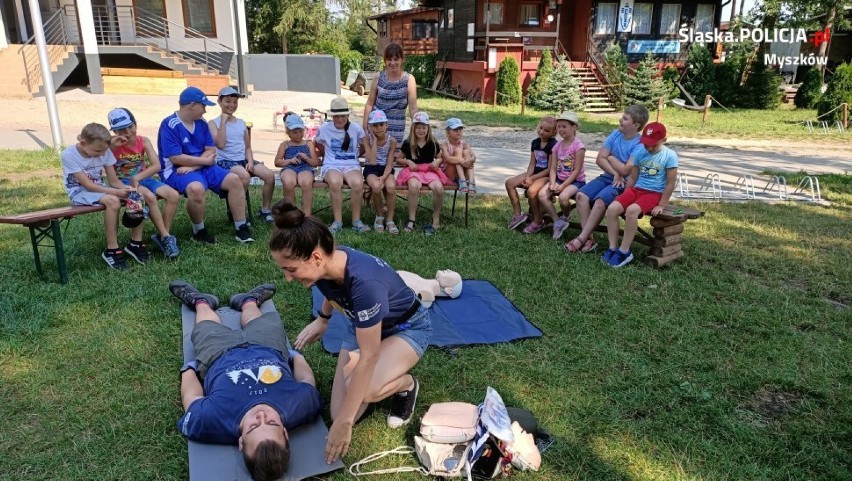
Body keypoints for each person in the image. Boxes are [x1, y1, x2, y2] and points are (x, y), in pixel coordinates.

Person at [268, 199, 431, 464]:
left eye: (291, 270)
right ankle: (371, 389)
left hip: (407, 328)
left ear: (316, 257)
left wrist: (344, 424)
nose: (288, 278)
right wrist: (322, 319)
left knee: (363, 394)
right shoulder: (326, 263)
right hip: (361, 326)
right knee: (339, 412)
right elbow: (328, 286)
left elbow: (370, 356)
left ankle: (406, 385)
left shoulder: (365, 285)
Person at [170, 280, 322, 481]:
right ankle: (248, 301)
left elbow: (192, 398)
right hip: (268, 347)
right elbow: (306, 380)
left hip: (218, 354)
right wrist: (297, 357)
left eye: (253, 426)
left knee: (206, 327)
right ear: (285, 432)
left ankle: (201, 302)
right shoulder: (301, 406)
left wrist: (188, 370)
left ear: (241, 442)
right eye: (271, 422)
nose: (261, 416)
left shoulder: (211, 421)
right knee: (261, 322)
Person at [157, 86, 253, 244]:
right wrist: (204, 161)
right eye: (203, 106)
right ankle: (199, 231)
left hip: (199, 166)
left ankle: (241, 227)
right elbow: (175, 158)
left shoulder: (201, 123)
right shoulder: (170, 124)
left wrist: (196, 166)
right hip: (175, 171)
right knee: (196, 188)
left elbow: (211, 149)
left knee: (235, 180)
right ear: (192, 105)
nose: (205, 111)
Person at [565, 105, 648, 253]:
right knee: (581, 196)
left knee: (600, 201)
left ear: (636, 125)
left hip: (625, 182)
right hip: (610, 176)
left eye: (625, 118)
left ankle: (581, 239)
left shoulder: (640, 144)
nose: (620, 120)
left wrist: (610, 158)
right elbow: (599, 159)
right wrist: (614, 172)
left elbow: (626, 170)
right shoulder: (616, 134)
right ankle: (589, 239)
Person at [61, 123, 138, 270]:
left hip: (100, 189)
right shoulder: (68, 155)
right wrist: (115, 192)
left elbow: (114, 181)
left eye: (104, 151)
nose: (101, 155)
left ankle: (136, 243)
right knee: (113, 200)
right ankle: (112, 250)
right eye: (97, 151)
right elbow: (88, 186)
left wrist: (128, 189)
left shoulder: (104, 150)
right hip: (79, 191)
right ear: (83, 143)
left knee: (137, 195)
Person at [107, 107, 181, 259]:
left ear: (135, 124)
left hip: (143, 178)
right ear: (115, 132)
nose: (127, 132)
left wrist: (138, 177)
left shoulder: (143, 141)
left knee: (173, 195)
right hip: (124, 182)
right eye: (121, 130)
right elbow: (111, 177)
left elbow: (157, 165)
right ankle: (166, 237)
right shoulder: (112, 147)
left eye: (130, 127)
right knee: (149, 197)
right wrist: (111, 146)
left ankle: (162, 236)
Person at [604, 122, 678, 267]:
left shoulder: (670, 156)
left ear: (664, 140)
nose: (649, 148)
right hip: (636, 189)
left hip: (654, 193)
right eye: (646, 144)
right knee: (612, 208)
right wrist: (624, 197)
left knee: (632, 211)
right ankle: (612, 248)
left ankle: (624, 252)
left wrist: (661, 205)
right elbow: (632, 178)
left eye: (653, 145)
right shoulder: (639, 152)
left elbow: (670, 183)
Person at [210, 86, 277, 223]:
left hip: (243, 159)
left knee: (269, 176)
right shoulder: (213, 123)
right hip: (225, 161)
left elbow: (247, 147)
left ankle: (265, 210)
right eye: (228, 101)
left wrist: (251, 162)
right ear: (219, 102)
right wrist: (223, 122)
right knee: (244, 176)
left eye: (235, 102)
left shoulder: (241, 123)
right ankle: (239, 213)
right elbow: (220, 145)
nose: (232, 105)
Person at [315, 97, 369, 234]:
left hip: (351, 164)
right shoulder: (324, 128)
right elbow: (318, 143)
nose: (339, 119)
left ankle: (356, 220)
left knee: (357, 183)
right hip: (332, 165)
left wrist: (357, 154)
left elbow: (364, 145)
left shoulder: (356, 129)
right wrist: (325, 155)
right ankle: (337, 221)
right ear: (332, 116)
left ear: (348, 115)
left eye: (343, 116)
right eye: (336, 116)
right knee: (335, 181)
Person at [395, 112, 450, 235]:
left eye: (423, 127)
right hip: (413, 171)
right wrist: (408, 161)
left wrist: (438, 162)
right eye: (418, 127)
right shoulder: (408, 142)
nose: (421, 130)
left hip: (429, 170)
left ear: (428, 128)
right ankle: (411, 220)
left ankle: (436, 218)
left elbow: (440, 157)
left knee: (439, 188)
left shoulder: (432, 142)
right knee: (414, 186)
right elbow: (399, 159)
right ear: (413, 128)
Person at [536, 111, 586, 240]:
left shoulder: (578, 146)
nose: (561, 130)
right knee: (542, 194)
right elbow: (552, 167)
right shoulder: (557, 146)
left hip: (576, 181)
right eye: (559, 127)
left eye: (564, 126)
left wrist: (563, 185)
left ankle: (566, 217)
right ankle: (557, 222)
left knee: (564, 197)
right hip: (559, 178)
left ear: (574, 127)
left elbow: (576, 171)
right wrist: (552, 182)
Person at [504, 116, 557, 230]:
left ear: (553, 132)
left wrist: (532, 179)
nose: (542, 132)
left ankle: (538, 220)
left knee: (532, 191)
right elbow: (532, 163)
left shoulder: (553, 145)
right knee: (509, 183)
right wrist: (528, 177)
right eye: (541, 128)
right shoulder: (535, 143)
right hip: (535, 173)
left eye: (546, 130)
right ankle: (518, 215)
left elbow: (549, 169)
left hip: (547, 176)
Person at [362, 43, 418, 149]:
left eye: (396, 59)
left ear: (402, 60)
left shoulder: (409, 79)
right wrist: (364, 126)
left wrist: (417, 126)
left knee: (393, 157)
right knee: (376, 157)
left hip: (397, 127)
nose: (392, 63)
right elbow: (370, 103)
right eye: (389, 59)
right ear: (385, 61)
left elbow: (413, 108)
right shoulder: (378, 78)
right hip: (377, 125)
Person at [274, 113, 320, 217]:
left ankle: (307, 214)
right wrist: (289, 161)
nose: (298, 135)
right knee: (288, 181)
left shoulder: (308, 144)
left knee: (306, 182)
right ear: (288, 132)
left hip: (305, 167)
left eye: (300, 132)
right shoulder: (285, 145)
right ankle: (291, 212)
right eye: (295, 132)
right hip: (289, 168)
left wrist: (306, 158)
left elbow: (315, 163)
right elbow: (277, 162)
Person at [363, 109, 399, 234]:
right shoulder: (367, 139)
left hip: (386, 169)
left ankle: (390, 219)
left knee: (390, 186)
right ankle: (379, 216)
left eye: (381, 124)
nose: (378, 128)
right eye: (375, 125)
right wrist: (374, 139)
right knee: (376, 187)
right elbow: (372, 160)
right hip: (371, 169)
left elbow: (389, 163)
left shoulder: (392, 141)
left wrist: (384, 177)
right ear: (370, 127)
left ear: (386, 125)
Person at [440, 118, 477, 195]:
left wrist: (470, 160)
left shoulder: (464, 144)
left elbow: (473, 157)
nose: (458, 132)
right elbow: (448, 158)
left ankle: (471, 181)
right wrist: (462, 161)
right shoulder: (445, 145)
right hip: (450, 175)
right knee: (458, 151)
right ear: (448, 132)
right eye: (455, 129)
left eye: (460, 129)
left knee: (466, 152)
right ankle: (462, 180)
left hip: (464, 173)